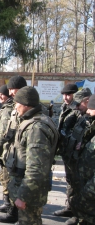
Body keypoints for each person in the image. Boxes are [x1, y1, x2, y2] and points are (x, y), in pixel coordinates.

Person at [6, 86, 59, 225]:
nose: (15, 107)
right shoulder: (33, 121)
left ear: (25, 104)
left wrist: (23, 196)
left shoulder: (36, 128)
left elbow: (36, 168)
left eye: (17, 103)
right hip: (26, 188)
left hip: (30, 192)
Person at [0, 75, 27, 223]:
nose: (10, 92)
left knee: (20, 185)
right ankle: (13, 211)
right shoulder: (14, 107)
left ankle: (17, 213)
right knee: (11, 183)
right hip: (12, 152)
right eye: (10, 89)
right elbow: (6, 132)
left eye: (13, 89)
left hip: (24, 155)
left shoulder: (27, 108)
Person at [58, 88, 92, 225]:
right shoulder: (82, 115)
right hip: (76, 159)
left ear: (88, 101)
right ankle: (77, 214)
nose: (76, 107)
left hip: (86, 164)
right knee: (75, 186)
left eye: (79, 104)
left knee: (85, 191)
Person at [53, 83, 79, 219]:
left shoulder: (78, 110)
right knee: (69, 179)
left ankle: (75, 210)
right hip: (66, 150)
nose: (65, 97)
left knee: (75, 180)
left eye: (68, 95)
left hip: (74, 151)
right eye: (64, 94)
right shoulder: (65, 107)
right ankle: (70, 207)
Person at [69, 94, 95, 225]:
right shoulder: (90, 124)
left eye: (91, 108)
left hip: (90, 194)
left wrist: (86, 193)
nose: (88, 111)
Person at [0, 84, 14, 213]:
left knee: (5, 177)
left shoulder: (7, 110)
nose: (0, 96)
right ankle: (8, 203)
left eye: (3, 94)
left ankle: (9, 205)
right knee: (4, 176)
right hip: (5, 150)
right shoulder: (4, 107)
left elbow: (3, 133)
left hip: (6, 150)